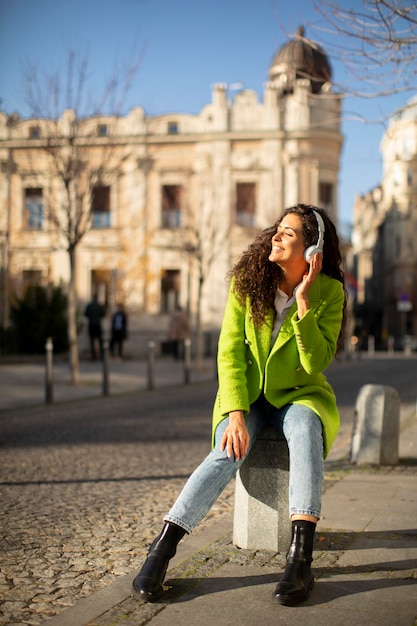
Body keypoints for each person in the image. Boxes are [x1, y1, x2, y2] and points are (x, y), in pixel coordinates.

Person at [132, 204, 347, 606]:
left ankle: (300, 560)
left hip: (299, 395)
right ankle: (162, 548)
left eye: (288, 234)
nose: (275, 237)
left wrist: (302, 304)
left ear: (312, 250)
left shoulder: (329, 293)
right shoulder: (248, 283)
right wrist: (235, 416)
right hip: (246, 396)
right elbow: (229, 353)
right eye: (277, 230)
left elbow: (316, 362)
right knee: (227, 449)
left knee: (303, 428)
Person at [84, 294, 105, 360]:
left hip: (92, 324)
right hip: (97, 324)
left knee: (92, 340)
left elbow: (86, 314)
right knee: (100, 340)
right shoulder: (99, 305)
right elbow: (103, 314)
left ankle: (94, 355)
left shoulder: (90, 306)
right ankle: (101, 354)